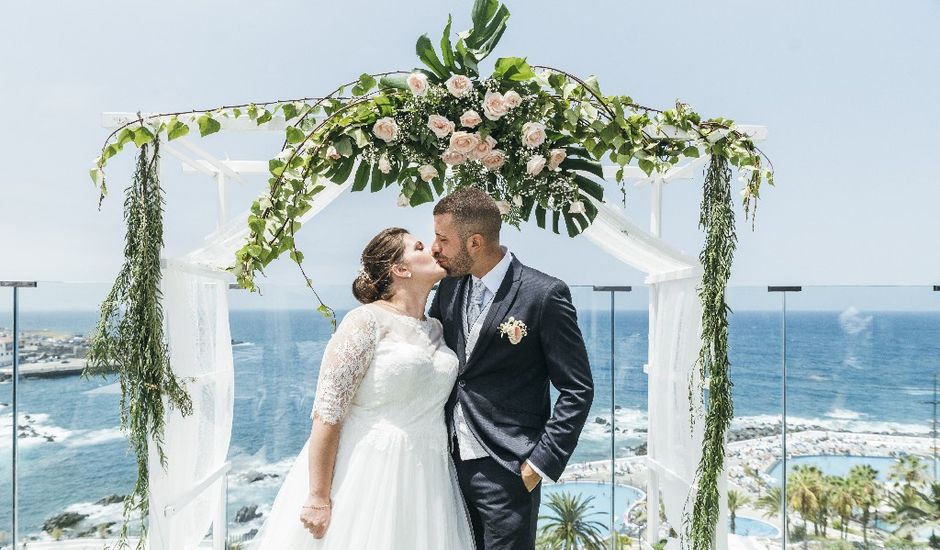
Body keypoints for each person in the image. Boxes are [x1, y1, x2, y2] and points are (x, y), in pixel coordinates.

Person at [253, 227, 475, 550]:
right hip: (370, 473)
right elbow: (328, 411)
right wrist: (317, 496)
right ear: (401, 269)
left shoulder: (438, 329)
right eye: (418, 247)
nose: (433, 249)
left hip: (430, 475)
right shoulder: (364, 322)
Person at [429, 187, 594, 550]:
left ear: (474, 242)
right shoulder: (448, 287)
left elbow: (577, 388)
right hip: (445, 462)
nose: (434, 247)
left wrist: (539, 462)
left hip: (506, 468)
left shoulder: (544, 295)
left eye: (442, 238)